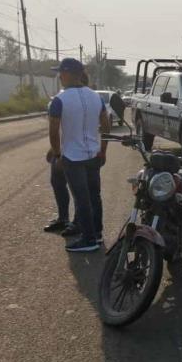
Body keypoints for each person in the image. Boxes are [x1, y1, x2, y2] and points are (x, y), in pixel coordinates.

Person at [48, 58, 110, 252]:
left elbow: (53, 130)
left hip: (73, 157)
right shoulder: (95, 97)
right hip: (93, 154)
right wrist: (103, 150)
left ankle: (88, 239)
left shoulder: (59, 100)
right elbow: (106, 125)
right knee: (94, 196)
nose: (59, 76)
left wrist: (57, 154)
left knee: (81, 198)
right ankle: (97, 233)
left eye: (60, 73)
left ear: (67, 74)